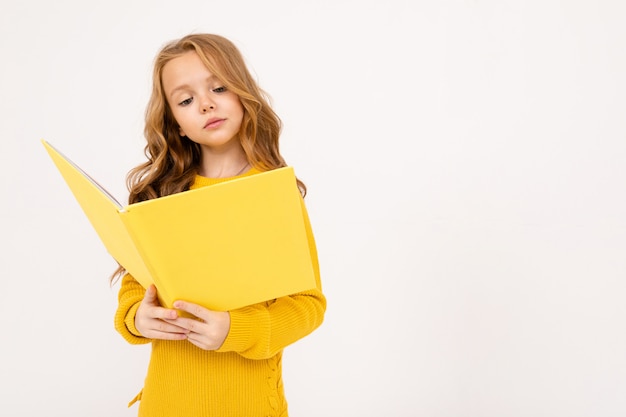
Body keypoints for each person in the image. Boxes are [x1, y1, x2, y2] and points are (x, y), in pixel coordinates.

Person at [112, 33, 326, 417]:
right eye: (186, 100)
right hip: (166, 404)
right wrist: (137, 318)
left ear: (243, 93)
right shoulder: (162, 196)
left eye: (219, 87)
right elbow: (135, 284)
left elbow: (307, 305)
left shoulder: (273, 192)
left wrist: (235, 329)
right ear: (175, 123)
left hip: (249, 406)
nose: (206, 104)